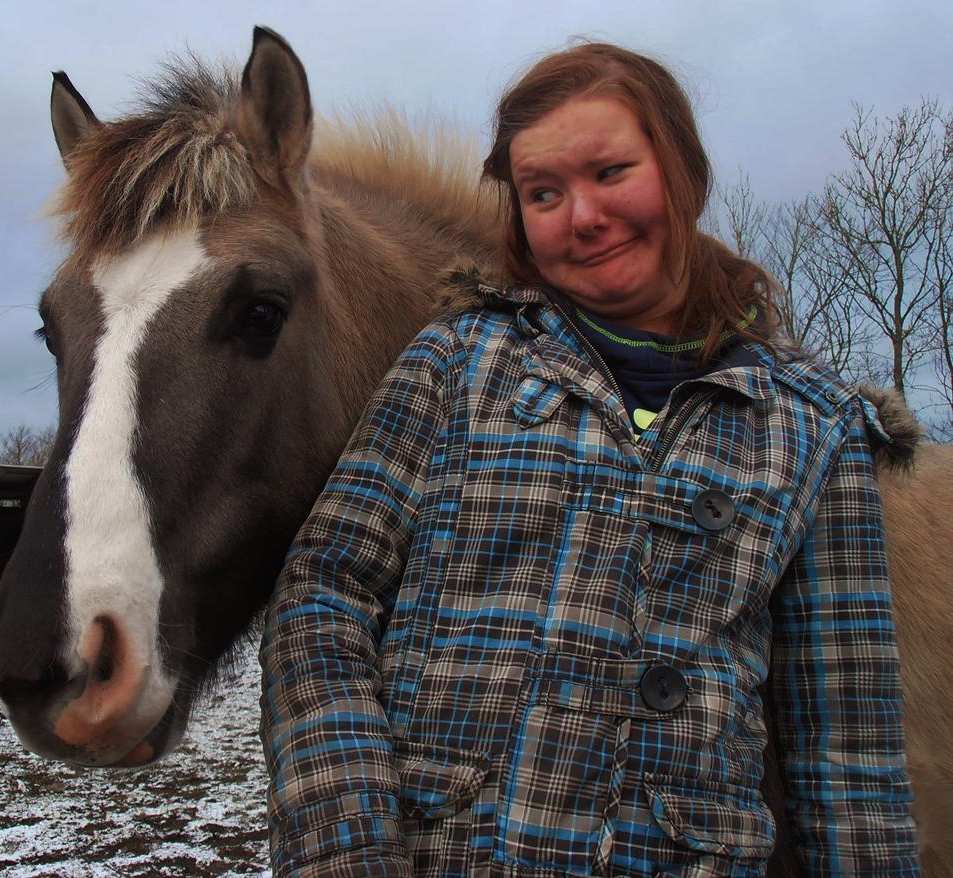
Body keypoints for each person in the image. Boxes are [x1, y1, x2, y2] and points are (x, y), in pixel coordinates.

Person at [260, 42, 918, 877]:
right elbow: (324, 592)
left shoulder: (815, 425)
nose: (581, 216)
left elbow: (847, 730)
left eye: (611, 172)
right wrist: (341, 843)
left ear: (683, 168)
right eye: (543, 192)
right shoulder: (458, 363)